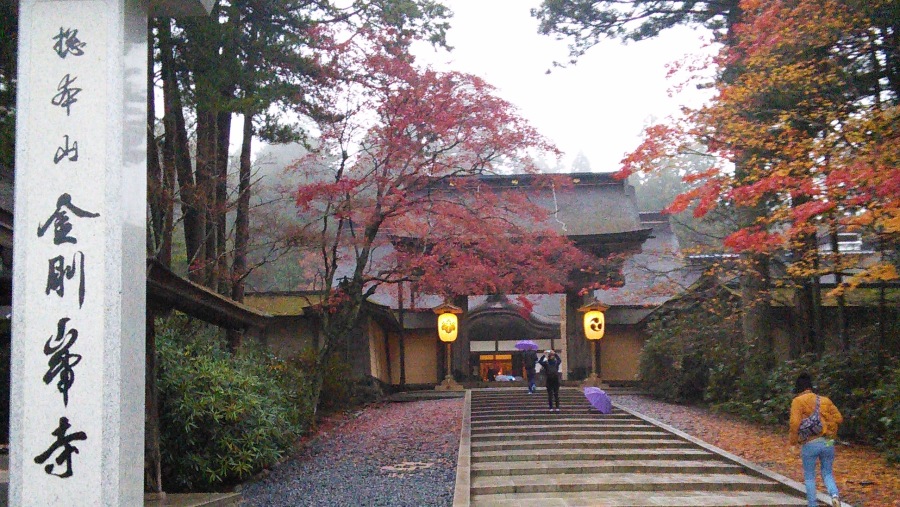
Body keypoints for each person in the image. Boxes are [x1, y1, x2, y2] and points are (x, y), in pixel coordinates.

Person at [789, 372, 843, 507]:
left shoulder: (798, 401)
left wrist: (793, 442)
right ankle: (834, 495)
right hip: (828, 442)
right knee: (827, 472)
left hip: (810, 442)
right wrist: (827, 425)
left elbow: (795, 423)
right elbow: (839, 418)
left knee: (809, 476)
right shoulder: (825, 400)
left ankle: (812, 504)